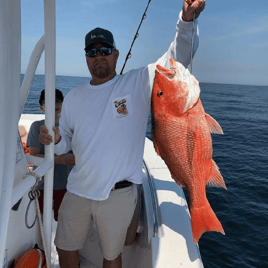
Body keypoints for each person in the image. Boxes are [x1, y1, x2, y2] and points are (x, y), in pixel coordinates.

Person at [39, 1, 206, 267]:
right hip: (78, 189)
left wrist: (186, 21)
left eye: (104, 50)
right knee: (64, 246)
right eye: (92, 52)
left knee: (111, 256)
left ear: (116, 55)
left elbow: (177, 59)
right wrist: (58, 140)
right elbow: (65, 144)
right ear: (86, 58)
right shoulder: (73, 97)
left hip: (119, 194)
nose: (99, 56)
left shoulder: (138, 82)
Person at [27, 89, 75, 221]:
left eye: (58, 101)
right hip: (41, 185)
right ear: (41, 107)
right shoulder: (36, 127)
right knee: (40, 222)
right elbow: (35, 157)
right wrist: (62, 160)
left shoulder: (71, 127)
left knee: (63, 222)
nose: (54, 104)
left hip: (67, 186)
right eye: (47, 101)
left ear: (63, 104)